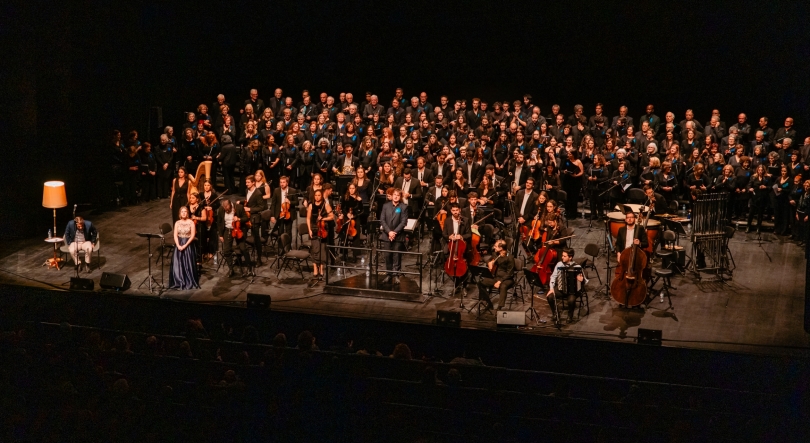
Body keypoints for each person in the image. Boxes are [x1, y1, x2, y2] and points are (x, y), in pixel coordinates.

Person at [545, 248, 587, 324]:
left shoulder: (577, 267)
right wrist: (551, 288)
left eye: (564, 256)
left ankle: (570, 316)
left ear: (570, 257)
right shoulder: (559, 264)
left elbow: (585, 281)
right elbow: (553, 277)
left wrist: (582, 280)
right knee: (549, 296)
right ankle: (555, 313)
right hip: (561, 289)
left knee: (571, 300)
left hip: (572, 291)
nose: (562, 257)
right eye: (562, 256)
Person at [379, 188, 409, 285]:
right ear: (392, 196)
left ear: (400, 197)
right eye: (394, 195)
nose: (396, 196)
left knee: (396, 255)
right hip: (387, 235)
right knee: (387, 255)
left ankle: (396, 275)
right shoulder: (385, 206)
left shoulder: (403, 207)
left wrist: (394, 232)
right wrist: (389, 232)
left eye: (398, 195)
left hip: (398, 235)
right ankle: (389, 274)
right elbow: (382, 220)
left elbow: (403, 222)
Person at [476, 239, 515, 311]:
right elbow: (488, 260)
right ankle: (489, 303)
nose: (494, 247)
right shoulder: (495, 254)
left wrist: (500, 281)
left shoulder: (510, 258)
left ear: (501, 248)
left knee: (503, 286)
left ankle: (499, 308)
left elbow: (510, 273)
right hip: (496, 277)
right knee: (481, 282)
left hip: (507, 279)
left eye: (496, 246)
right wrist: (489, 263)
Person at [442, 202, 472, 293]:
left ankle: (464, 286)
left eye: (457, 210)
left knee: (462, 265)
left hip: (461, 246)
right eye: (453, 210)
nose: (455, 212)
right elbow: (444, 234)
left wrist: (461, 237)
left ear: (460, 210)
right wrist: (449, 237)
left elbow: (469, 234)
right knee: (450, 264)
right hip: (451, 245)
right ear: (451, 211)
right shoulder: (447, 221)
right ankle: (456, 284)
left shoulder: (465, 220)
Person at [238, 175, 268, 266]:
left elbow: (262, 207)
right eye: (246, 182)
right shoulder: (247, 190)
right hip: (246, 218)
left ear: (253, 182)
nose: (246, 184)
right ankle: (242, 257)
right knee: (242, 236)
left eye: (248, 182)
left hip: (255, 218)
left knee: (256, 239)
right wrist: (242, 202)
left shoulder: (258, 193)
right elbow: (248, 200)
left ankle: (259, 259)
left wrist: (250, 209)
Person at [217, 199, 251, 277]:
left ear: (230, 205)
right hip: (227, 230)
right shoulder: (221, 209)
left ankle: (249, 267)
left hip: (238, 230)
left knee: (243, 248)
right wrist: (221, 235)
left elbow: (246, 218)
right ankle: (231, 268)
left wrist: (239, 219)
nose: (227, 211)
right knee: (226, 251)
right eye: (225, 209)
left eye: (228, 209)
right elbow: (219, 222)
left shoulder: (239, 207)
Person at [169, 206, 200, 290]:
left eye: (185, 211)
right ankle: (178, 281)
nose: (183, 213)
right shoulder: (177, 223)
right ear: (180, 213)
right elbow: (175, 235)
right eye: (182, 211)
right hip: (179, 244)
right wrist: (178, 245)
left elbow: (193, 235)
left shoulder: (191, 222)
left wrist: (185, 246)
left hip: (188, 245)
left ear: (187, 213)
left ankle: (188, 281)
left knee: (188, 263)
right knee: (178, 263)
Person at [307, 189, 334, 280]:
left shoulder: (325, 205)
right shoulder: (311, 205)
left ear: (321, 196)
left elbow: (331, 217)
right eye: (316, 195)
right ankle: (315, 268)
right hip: (314, 229)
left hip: (323, 230)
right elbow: (308, 219)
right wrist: (309, 230)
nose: (317, 197)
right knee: (315, 250)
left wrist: (323, 219)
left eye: (319, 195)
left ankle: (321, 268)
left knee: (322, 250)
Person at [199, 180, 219, 261]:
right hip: (203, 216)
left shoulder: (214, 195)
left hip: (211, 217)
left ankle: (211, 252)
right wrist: (203, 206)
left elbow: (218, 204)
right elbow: (199, 204)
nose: (206, 187)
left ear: (210, 186)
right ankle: (204, 252)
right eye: (205, 185)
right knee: (203, 235)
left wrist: (211, 207)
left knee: (212, 235)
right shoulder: (200, 195)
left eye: (208, 185)